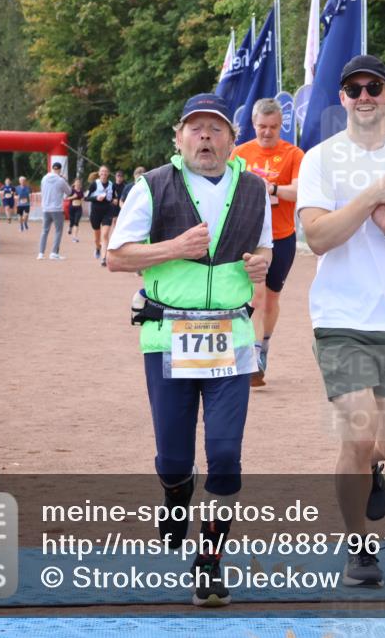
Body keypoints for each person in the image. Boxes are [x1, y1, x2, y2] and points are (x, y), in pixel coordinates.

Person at [107, 93, 272, 607]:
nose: (206, 137)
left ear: (231, 138)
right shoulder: (152, 186)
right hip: (167, 336)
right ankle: (176, 492)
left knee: (225, 457)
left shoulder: (253, 188)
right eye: (196, 128)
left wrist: (261, 264)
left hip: (231, 337)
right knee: (174, 458)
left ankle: (210, 562)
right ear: (178, 138)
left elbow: (264, 246)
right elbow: (115, 257)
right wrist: (175, 248)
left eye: (216, 129)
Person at [297, 55, 385, 587]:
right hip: (339, 318)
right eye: (354, 88)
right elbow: (318, 237)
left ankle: (371, 466)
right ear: (342, 98)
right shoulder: (320, 159)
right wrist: (372, 196)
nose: (364, 96)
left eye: (373, 87)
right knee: (358, 434)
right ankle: (358, 547)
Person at [231, 97, 306, 387]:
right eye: (262, 127)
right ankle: (253, 355)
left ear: (281, 126)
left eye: (273, 127)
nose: (267, 132)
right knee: (256, 297)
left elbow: (299, 191)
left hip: (282, 235)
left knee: (272, 299)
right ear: (253, 124)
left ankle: (264, 343)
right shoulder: (239, 153)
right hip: (248, 236)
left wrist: (271, 187)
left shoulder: (294, 154)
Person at [38, 161, 71, 260]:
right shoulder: (61, 180)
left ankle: (41, 253)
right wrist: (64, 179)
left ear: (52, 168)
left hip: (45, 208)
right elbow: (69, 192)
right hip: (56, 209)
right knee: (58, 231)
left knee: (44, 231)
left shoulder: (44, 178)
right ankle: (54, 253)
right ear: (60, 169)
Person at [85, 165, 115, 265]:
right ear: (99, 173)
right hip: (96, 211)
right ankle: (98, 247)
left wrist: (115, 200)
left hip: (108, 211)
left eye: (106, 171)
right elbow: (86, 198)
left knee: (105, 234)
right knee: (97, 238)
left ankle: (104, 258)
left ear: (108, 173)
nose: (104, 173)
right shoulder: (94, 184)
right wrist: (96, 198)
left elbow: (114, 197)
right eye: (102, 172)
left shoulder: (111, 184)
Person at [67, 177, 84, 242]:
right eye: (76, 182)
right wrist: (73, 197)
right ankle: (70, 227)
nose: (78, 184)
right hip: (72, 208)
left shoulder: (81, 191)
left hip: (79, 208)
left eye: (79, 183)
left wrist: (82, 199)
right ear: (74, 183)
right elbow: (67, 198)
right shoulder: (72, 191)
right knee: (72, 221)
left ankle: (74, 237)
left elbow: (82, 199)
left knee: (76, 222)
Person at [110, 169, 126, 234]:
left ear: (123, 178)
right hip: (114, 206)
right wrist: (112, 199)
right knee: (114, 220)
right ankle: (114, 234)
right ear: (115, 177)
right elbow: (108, 196)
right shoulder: (112, 186)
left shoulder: (125, 186)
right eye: (118, 176)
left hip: (122, 206)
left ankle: (120, 233)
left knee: (121, 221)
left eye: (121, 176)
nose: (119, 178)